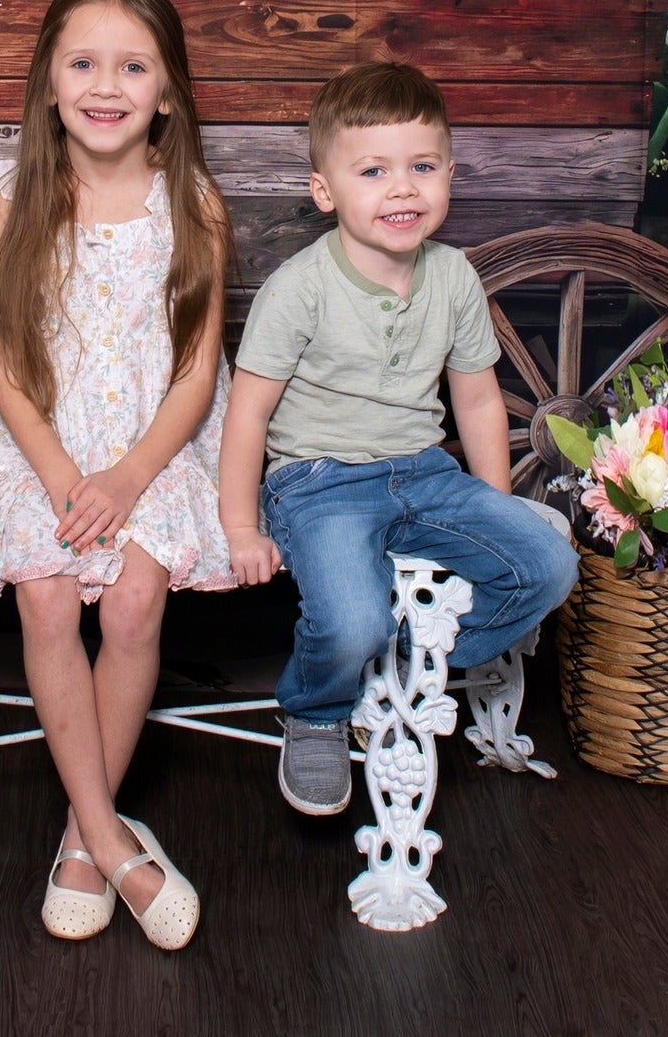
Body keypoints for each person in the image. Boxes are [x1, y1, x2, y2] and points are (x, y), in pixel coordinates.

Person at [0, 0, 234, 950]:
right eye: (84, 63)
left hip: (156, 445)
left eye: (132, 65)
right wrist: (63, 478)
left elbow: (194, 374)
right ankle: (108, 835)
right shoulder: (17, 202)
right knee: (46, 592)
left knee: (136, 600)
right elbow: (9, 371)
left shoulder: (194, 208)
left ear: (167, 90)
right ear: (48, 83)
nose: (107, 85)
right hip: (43, 444)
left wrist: (130, 475)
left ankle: (75, 834)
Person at [217, 61, 577, 815]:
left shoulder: (454, 277)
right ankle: (315, 710)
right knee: (353, 618)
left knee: (547, 563)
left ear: (449, 174)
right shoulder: (300, 288)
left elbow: (476, 399)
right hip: (319, 482)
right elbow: (246, 412)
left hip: (424, 473)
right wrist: (241, 525)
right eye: (374, 170)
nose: (402, 188)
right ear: (327, 191)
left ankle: (413, 664)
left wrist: (494, 503)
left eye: (421, 167)